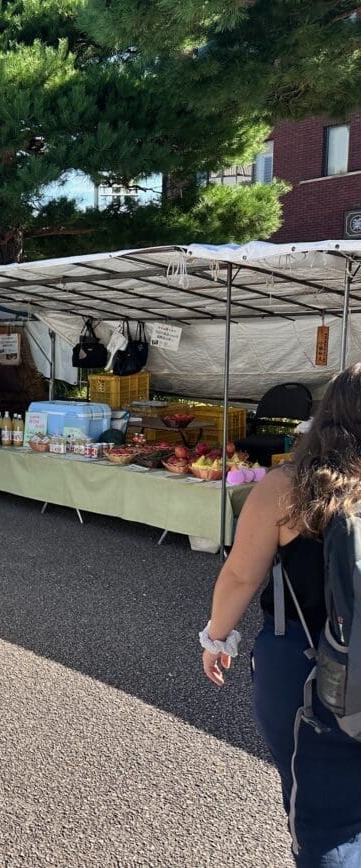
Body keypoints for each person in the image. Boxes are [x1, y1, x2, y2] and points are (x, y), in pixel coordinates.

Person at [203, 365, 361, 866]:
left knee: (323, 809)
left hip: (306, 662)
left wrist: (216, 638)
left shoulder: (288, 486)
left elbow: (240, 576)